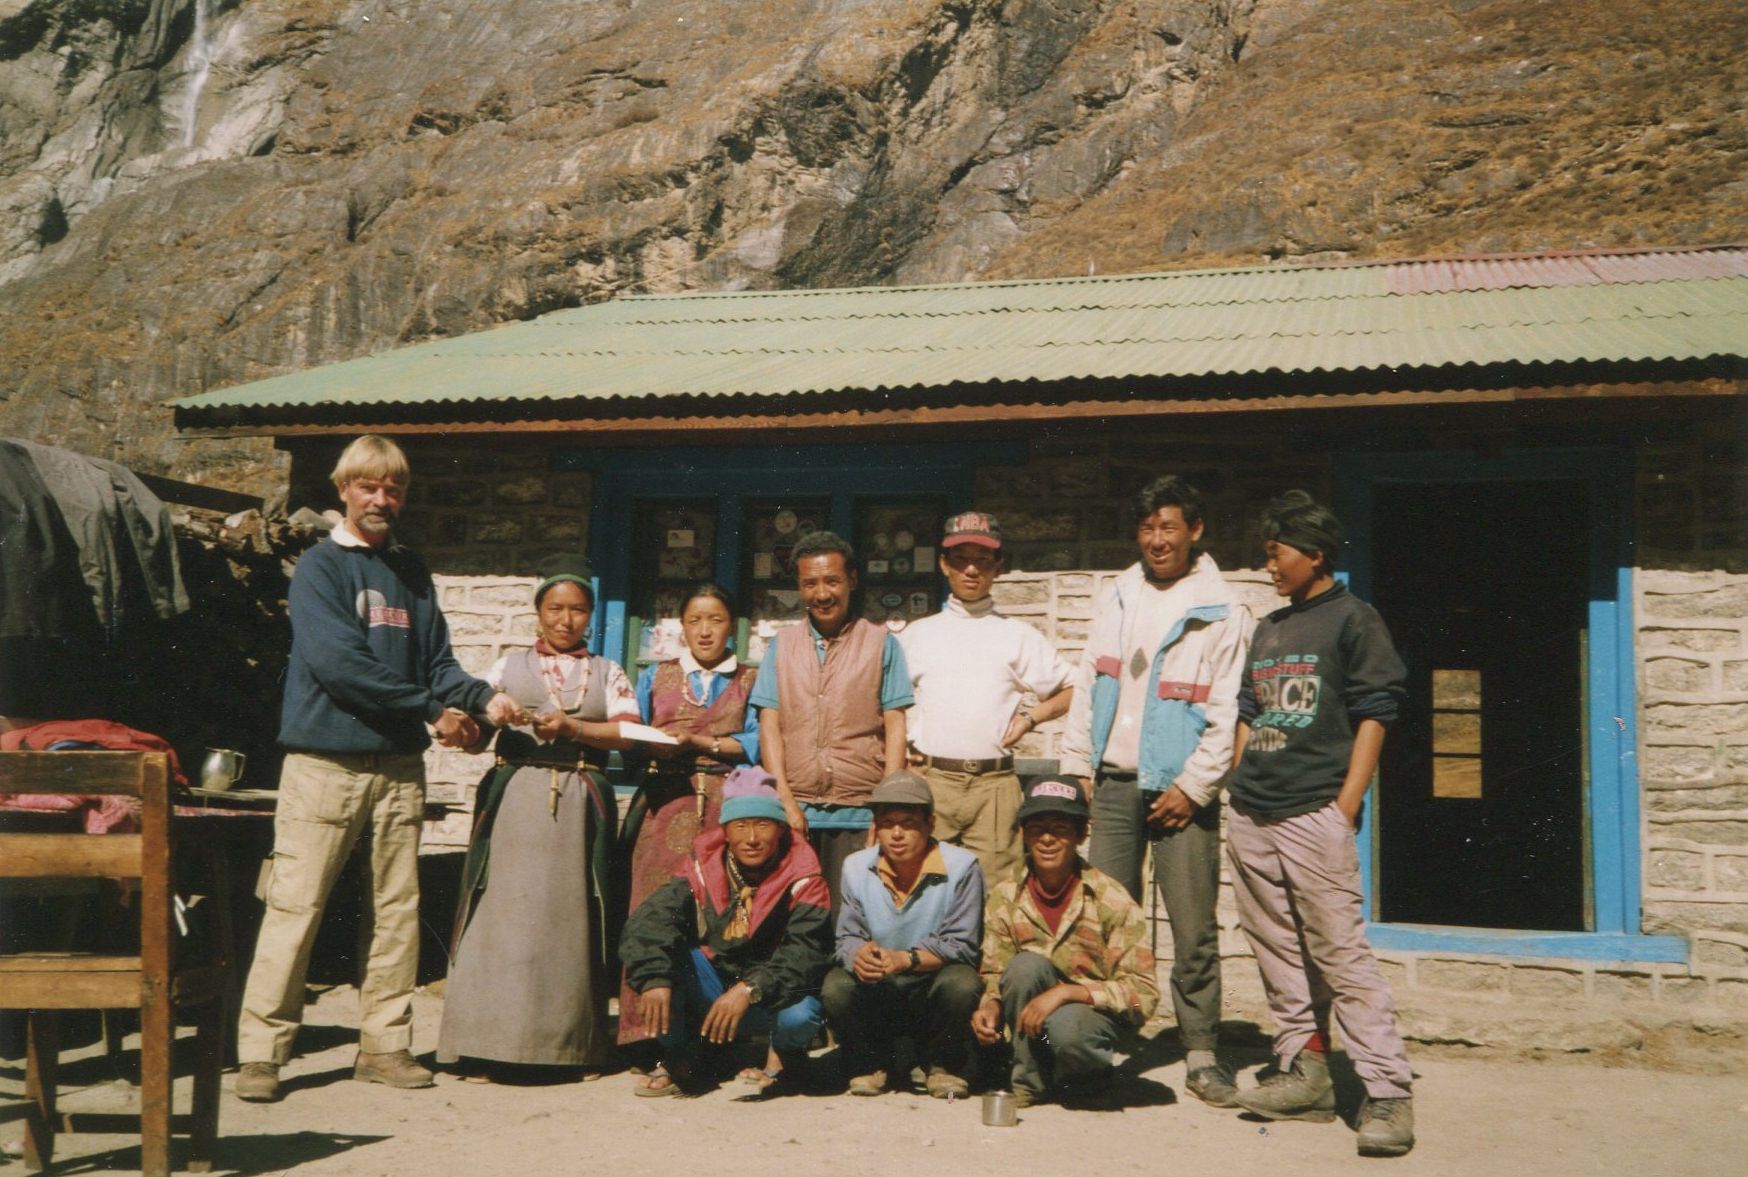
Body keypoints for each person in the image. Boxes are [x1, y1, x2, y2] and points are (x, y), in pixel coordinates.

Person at [235, 436, 513, 1103]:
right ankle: (261, 1051)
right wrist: (433, 712)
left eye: (393, 488)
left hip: (396, 766)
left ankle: (384, 1044)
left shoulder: (411, 572)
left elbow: (438, 663)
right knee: (296, 904)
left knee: (397, 910)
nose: (381, 499)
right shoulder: (320, 570)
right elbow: (342, 667)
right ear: (343, 489)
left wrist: (481, 698)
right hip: (323, 763)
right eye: (368, 486)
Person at [1225, 491, 1415, 1157]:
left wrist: (1347, 803)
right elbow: (1250, 705)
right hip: (1253, 810)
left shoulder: (1353, 620)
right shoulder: (1270, 626)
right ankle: (1306, 1072)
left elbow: (1376, 710)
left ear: (1315, 553)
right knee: (1278, 947)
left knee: (1340, 951)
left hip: (1315, 810)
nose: (1269, 563)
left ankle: (1387, 1090)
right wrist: (1239, 776)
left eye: (1277, 551)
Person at [1058, 474, 1253, 1106]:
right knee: (1106, 924)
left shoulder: (1224, 607)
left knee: (1193, 927)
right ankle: (1099, 1047)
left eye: (1169, 526)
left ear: (1195, 531)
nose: (1157, 539)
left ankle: (1201, 1052)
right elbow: (1090, 684)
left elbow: (1229, 712)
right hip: (1113, 785)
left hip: (1180, 794)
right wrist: (1075, 769)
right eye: (1147, 528)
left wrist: (1195, 788)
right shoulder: (1117, 594)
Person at [435, 554, 638, 1080]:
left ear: (590, 616)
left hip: (578, 801)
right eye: (555, 609)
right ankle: (482, 1043)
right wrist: (462, 729)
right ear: (538, 613)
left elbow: (629, 734)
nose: (565, 620)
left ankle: (574, 1047)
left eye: (576, 610)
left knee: (571, 919)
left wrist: (574, 731)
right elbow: (480, 732)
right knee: (501, 916)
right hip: (515, 800)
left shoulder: (608, 672)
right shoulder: (507, 667)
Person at [619, 767, 832, 1096]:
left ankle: (785, 1057)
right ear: (726, 831)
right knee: (660, 964)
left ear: (779, 828)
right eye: (741, 825)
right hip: (715, 985)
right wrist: (654, 979)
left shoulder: (804, 875)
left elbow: (805, 952)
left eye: (763, 824)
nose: (751, 838)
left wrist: (749, 988)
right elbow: (650, 922)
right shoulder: (702, 866)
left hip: (769, 996)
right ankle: (679, 1058)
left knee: (800, 1016)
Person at [617, 583, 761, 1048]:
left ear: (732, 627)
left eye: (716, 619)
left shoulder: (749, 680)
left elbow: (759, 743)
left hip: (728, 807)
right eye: (695, 620)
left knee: (724, 912)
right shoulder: (656, 677)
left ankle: (721, 1039)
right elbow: (631, 735)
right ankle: (647, 1037)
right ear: (681, 626)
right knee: (653, 910)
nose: (705, 630)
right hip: (666, 806)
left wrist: (705, 744)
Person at [899, 511, 1072, 886]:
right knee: (925, 889)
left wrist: (1030, 718)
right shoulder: (918, 634)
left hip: (994, 786)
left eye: (982, 560)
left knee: (996, 894)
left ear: (998, 567)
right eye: (960, 559)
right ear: (944, 565)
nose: (971, 570)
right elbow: (888, 704)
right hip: (932, 780)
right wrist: (903, 755)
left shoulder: (1017, 635)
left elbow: (1072, 690)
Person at [971, 775, 1158, 1106]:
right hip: (1034, 1028)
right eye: (1036, 828)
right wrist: (990, 1005)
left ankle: (1085, 1077)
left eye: (1060, 828)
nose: (1046, 839)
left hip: (1085, 1023)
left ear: (1081, 833)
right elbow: (993, 972)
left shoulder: (1110, 899)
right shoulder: (1004, 896)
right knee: (1025, 966)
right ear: (1022, 833)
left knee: (1067, 1028)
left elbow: (1143, 997)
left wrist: (1071, 992)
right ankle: (1028, 1082)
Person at [750, 530, 912, 910]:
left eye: (832, 581)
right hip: (796, 813)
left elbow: (895, 726)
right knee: (796, 921)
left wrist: (884, 808)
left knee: (852, 918)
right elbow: (769, 724)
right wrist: (786, 800)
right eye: (810, 583)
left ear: (852, 580)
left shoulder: (881, 644)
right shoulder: (782, 646)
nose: (822, 594)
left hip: (860, 813)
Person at [822, 770, 984, 1098]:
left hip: (931, 984)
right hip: (879, 984)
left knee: (962, 982)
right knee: (836, 986)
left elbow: (963, 945)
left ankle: (941, 1064)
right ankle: (872, 1063)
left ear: (930, 824)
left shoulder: (963, 867)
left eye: (909, 823)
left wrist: (905, 959)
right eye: (887, 823)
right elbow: (846, 937)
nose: (897, 834)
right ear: (875, 827)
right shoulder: (856, 866)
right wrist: (859, 954)